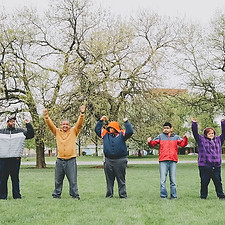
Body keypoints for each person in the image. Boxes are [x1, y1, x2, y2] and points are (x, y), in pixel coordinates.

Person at [43, 106, 85, 200]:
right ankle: (56, 194)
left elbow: (79, 124)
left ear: (69, 125)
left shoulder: (74, 131)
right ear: (61, 125)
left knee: (73, 180)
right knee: (58, 180)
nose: (65, 126)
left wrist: (81, 114)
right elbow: (51, 126)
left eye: (67, 124)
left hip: (71, 160)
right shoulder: (57, 132)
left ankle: (75, 195)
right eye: (63, 124)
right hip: (60, 160)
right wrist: (46, 117)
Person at [95, 116, 133, 199]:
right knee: (109, 179)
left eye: (112, 128)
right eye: (109, 128)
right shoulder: (105, 134)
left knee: (121, 179)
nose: (110, 129)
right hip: (108, 160)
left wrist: (126, 122)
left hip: (120, 160)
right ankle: (109, 195)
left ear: (116, 128)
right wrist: (101, 121)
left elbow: (130, 132)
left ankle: (122, 195)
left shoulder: (122, 134)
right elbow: (97, 130)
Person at [147, 122, 188, 199]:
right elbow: (153, 144)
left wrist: (185, 138)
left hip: (173, 160)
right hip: (163, 160)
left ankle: (174, 196)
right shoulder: (160, 136)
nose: (166, 129)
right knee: (163, 180)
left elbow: (183, 144)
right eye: (164, 128)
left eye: (167, 128)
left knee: (173, 180)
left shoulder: (176, 137)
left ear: (171, 129)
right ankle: (163, 196)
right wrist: (149, 141)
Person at [0, 115, 34, 200]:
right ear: (7, 122)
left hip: (15, 158)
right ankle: (2, 196)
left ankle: (17, 196)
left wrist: (28, 124)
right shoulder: (1, 132)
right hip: (3, 158)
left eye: (14, 121)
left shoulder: (20, 131)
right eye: (11, 121)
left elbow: (31, 134)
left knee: (15, 178)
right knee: (3, 178)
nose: (13, 123)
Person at [191, 118, 225, 199]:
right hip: (204, 165)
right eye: (209, 133)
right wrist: (194, 124)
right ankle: (203, 196)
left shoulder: (219, 140)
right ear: (205, 134)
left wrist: (223, 123)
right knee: (204, 182)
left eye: (212, 133)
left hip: (216, 165)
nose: (211, 135)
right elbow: (195, 133)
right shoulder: (201, 140)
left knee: (218, 182)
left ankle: (221, 196)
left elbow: (224, 133)